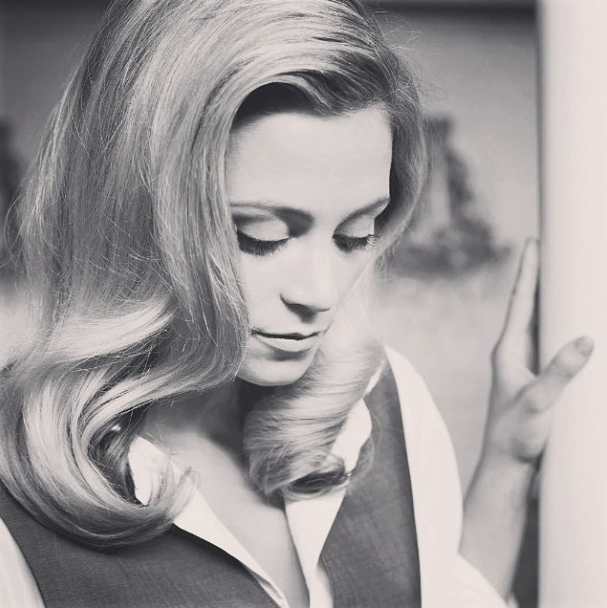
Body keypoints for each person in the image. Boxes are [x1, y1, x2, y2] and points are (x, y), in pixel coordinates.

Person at [0, 1, 593, 607]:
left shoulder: (381, 403)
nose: (321, 294)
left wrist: (508, 462)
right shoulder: (13, 511)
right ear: (133, 213)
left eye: (356, 234)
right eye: (261, 236)